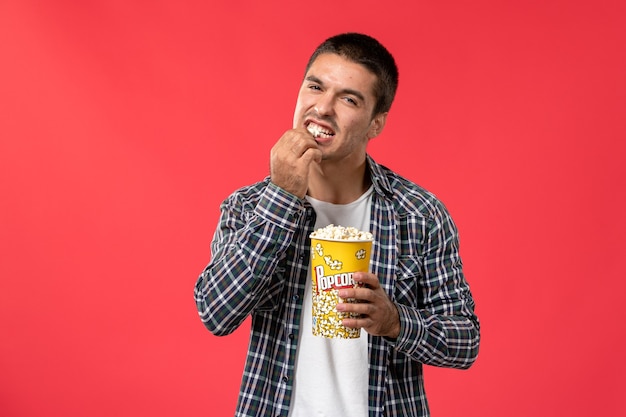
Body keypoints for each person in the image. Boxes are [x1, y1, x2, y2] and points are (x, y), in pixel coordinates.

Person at [194, 32, 480, 417]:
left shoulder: (419, 215)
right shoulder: (248, 206)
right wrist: (282, 197)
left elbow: (465, 342)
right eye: (315, 87)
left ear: (376, 123)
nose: (322, 108)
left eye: (348, 98)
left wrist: (395, 321)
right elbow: (216, 312)